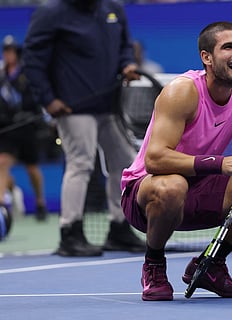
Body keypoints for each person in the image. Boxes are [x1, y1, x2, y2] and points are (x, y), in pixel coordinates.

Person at [121, 21, 232, 301]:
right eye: (228, 47)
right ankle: (153, 264)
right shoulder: (182, 91)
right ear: (207, 58)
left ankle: (211, 265)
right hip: (146, 194)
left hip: (200, 191)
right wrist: (217, 163)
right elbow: (155, 159)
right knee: (172, 186)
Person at [22, 0, 145, 256]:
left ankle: (120, 227)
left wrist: (127, 64)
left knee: (125, 162)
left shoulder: (113, 8)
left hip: (110, 105)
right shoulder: (50, 12)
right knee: (81, 163)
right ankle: (70, 232)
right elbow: (32, 59)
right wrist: (48, 99)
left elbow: (124, 45)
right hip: (72, 106)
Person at [0, 34, 48, 222]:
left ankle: (40, 202)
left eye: (11, 51)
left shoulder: (26, 74)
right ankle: (3, 206)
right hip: (7, 128)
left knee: (32, 169)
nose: (8, 54)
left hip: (26, 128)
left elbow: (35, 98)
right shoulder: (2, 75)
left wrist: (29, 114)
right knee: (2, 162)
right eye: (6, 51)